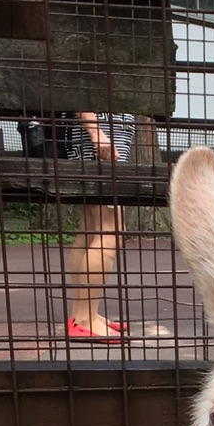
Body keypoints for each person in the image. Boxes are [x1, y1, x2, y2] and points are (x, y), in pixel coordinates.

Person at [65, 112, 131, 341]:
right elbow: (79, 80)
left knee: (90, 229)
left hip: (98, 137)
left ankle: (81, 315)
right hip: (100, 140)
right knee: (111, 230)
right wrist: (96, 132)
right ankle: (85, 319)